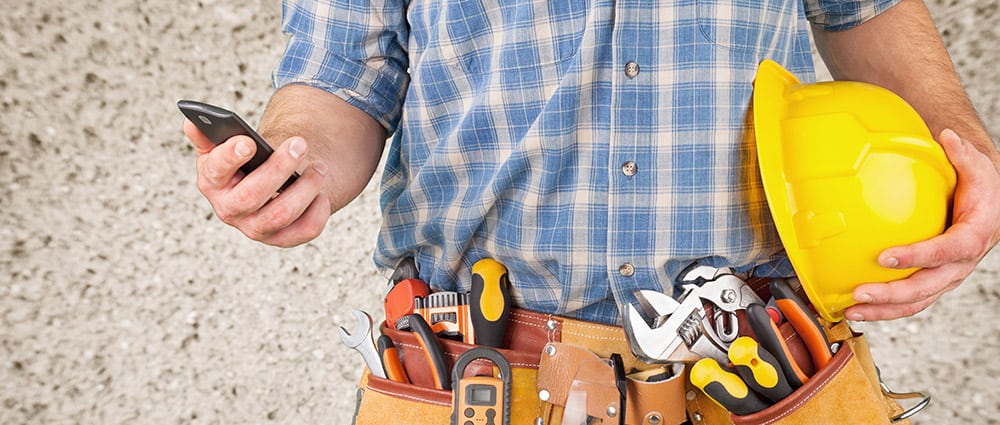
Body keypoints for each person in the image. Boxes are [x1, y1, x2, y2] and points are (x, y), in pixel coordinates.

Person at [183, 0, 999, 325]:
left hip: (765, 368)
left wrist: (965, 153)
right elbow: (339, 75)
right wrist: (295, 167)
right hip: (475, 373)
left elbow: (868, 10)